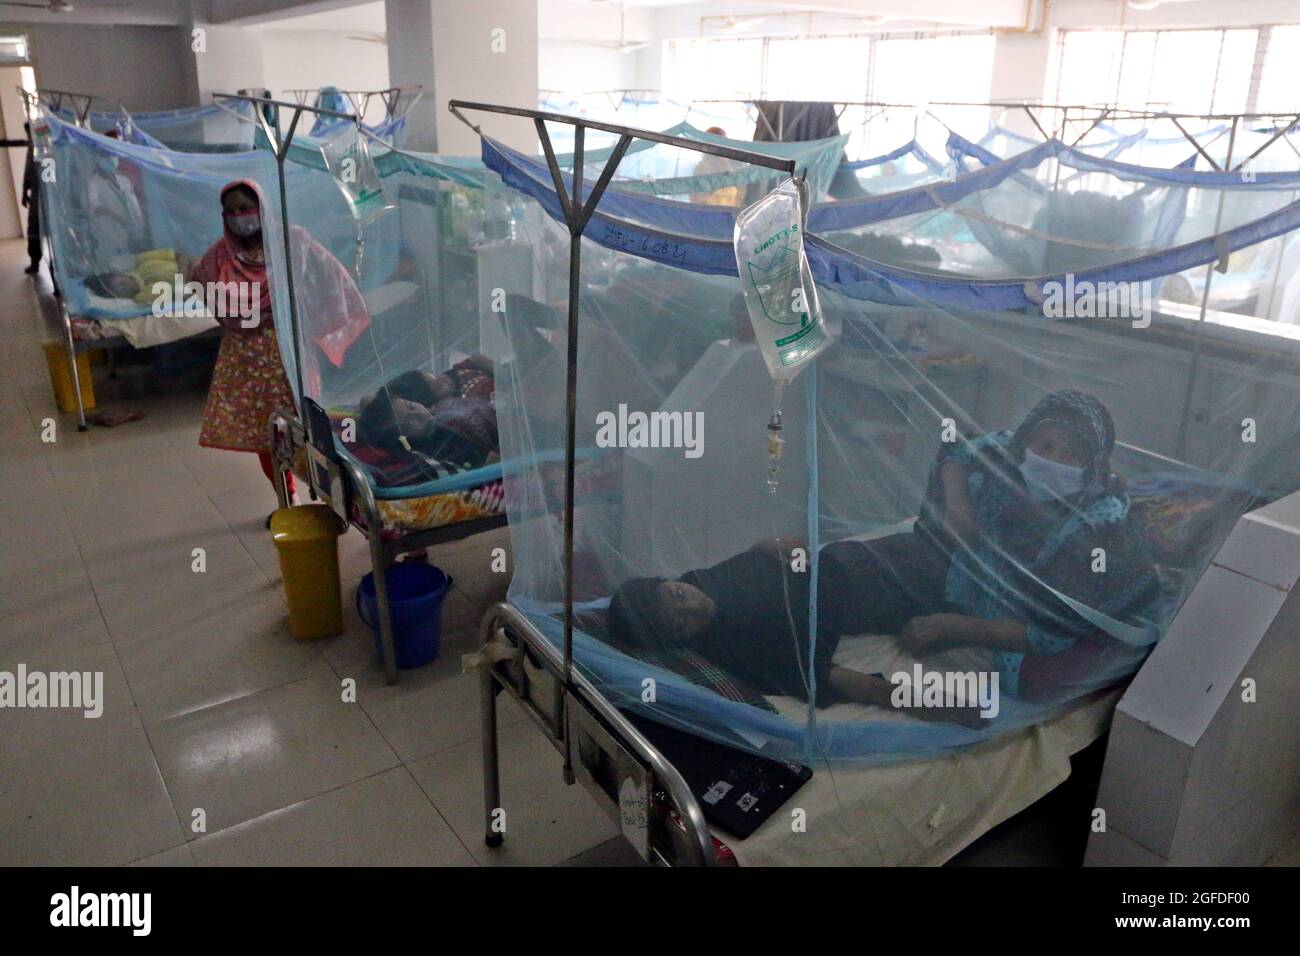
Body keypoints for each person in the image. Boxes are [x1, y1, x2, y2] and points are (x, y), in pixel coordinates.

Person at [607, 390, 1161, 723]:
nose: (1051, 458)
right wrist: (960, 505)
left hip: (874, 570)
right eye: (1044, 445)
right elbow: (959, 445)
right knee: (840, 636)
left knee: (904, 568)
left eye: (1072, 453)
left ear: (1095, 462)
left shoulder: (1096, 531)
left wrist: (771, 548)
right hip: (871, 579)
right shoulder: (1008, 456)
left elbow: (1053, 625)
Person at [194, 180, 371, 517]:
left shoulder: (293, 243)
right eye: (230, 212)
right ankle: (286, 496)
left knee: (306, 425)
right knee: (266, 434)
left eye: (244, 208)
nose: (238, 217)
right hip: (245, 358)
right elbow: (202, 281)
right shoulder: (221, 255)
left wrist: (307, 310)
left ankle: (325, 492)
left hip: (289, 352)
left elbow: (333, 279)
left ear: (262, 207)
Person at [21, 122, 41, 275]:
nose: (29, 136)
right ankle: (34, 261)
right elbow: (27, 171)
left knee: (51, 230)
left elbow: (50, 177)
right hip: (35, 194)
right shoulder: (30, 149)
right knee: (33, 229)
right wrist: (24, 191)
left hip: (46, 195)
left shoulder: (44, 149)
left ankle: (57, 268)